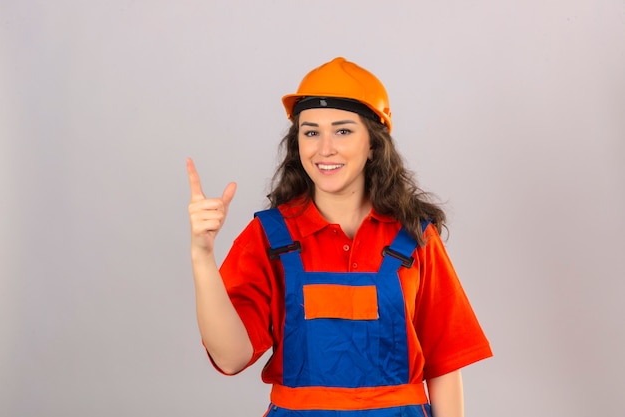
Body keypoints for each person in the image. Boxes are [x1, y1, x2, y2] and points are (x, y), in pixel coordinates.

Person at [186, 57, 492, 417]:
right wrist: (202, 256)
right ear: (297, 143)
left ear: (374, 145)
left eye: (343, 131)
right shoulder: (269, 236)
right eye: (311, 131)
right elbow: (231, 357)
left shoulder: (414, 236)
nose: (324, 148)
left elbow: (444, 364)